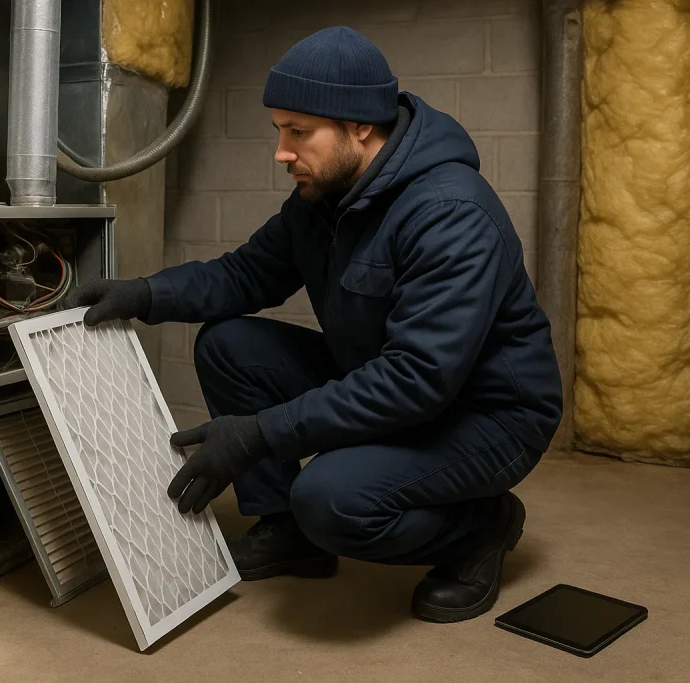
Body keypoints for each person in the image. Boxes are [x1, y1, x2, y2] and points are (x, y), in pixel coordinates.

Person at [63, 26, 563, 624]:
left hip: (487, 414)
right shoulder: (324, 196)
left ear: (360, 126)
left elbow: (418, 380)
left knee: (331, 500)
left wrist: (260, 433)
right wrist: (143, 293)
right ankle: (287, 532)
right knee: (230, 344)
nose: (281, 150)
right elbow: (245, 275)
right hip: (390, 376)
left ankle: (481, 528)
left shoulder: (449, 213)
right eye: (279, 129)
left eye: (297, 132)